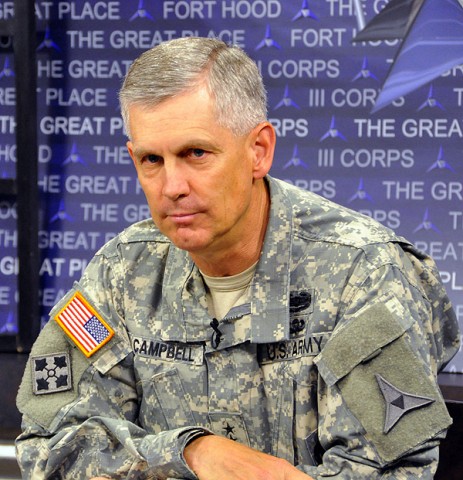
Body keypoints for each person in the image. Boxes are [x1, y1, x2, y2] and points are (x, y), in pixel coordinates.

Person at [16, 37, 460, 479]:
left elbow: (392, 473)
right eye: (153, 159)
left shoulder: (364, 273)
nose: (172, 186)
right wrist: (191, 455)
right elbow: (49, 446)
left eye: (196, 153)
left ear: (258, 151)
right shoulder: (119, 273)